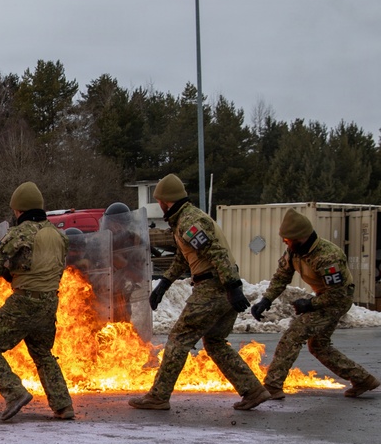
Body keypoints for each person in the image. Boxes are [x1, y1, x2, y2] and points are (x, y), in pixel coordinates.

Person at [130, 174, 271, 411]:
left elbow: (217, 254)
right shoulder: (185, 219)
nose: (160, 206)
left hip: (213, 288)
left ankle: (158, 396)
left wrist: (233, 287)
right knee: (215, 342)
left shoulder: (189, 221)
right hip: (220, 287)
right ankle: (253, 390)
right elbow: (184, 257)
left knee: (178, 340)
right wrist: (164, 283)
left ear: (166, 201)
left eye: (160, 201)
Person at [251, 208, 380, 399]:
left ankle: (272, 385)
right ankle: (363, 379)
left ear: (301, 237)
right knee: (319, 346)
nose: (285, 243)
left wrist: (310, 304)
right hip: (323, 295)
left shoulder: (328, 257)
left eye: (288, 240)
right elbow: (281, 276)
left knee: (294, 335)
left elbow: (337, 294)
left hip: (337, 300)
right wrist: (266, 300)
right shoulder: (294, 251)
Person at [0, 181, 75, 422]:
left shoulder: (20, 232)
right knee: (43, 353)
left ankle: (14, 392)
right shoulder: (59, 235)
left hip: (24, 301)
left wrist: (11, 273)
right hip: (49, 302)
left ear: (19, 210)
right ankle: (63, 405)